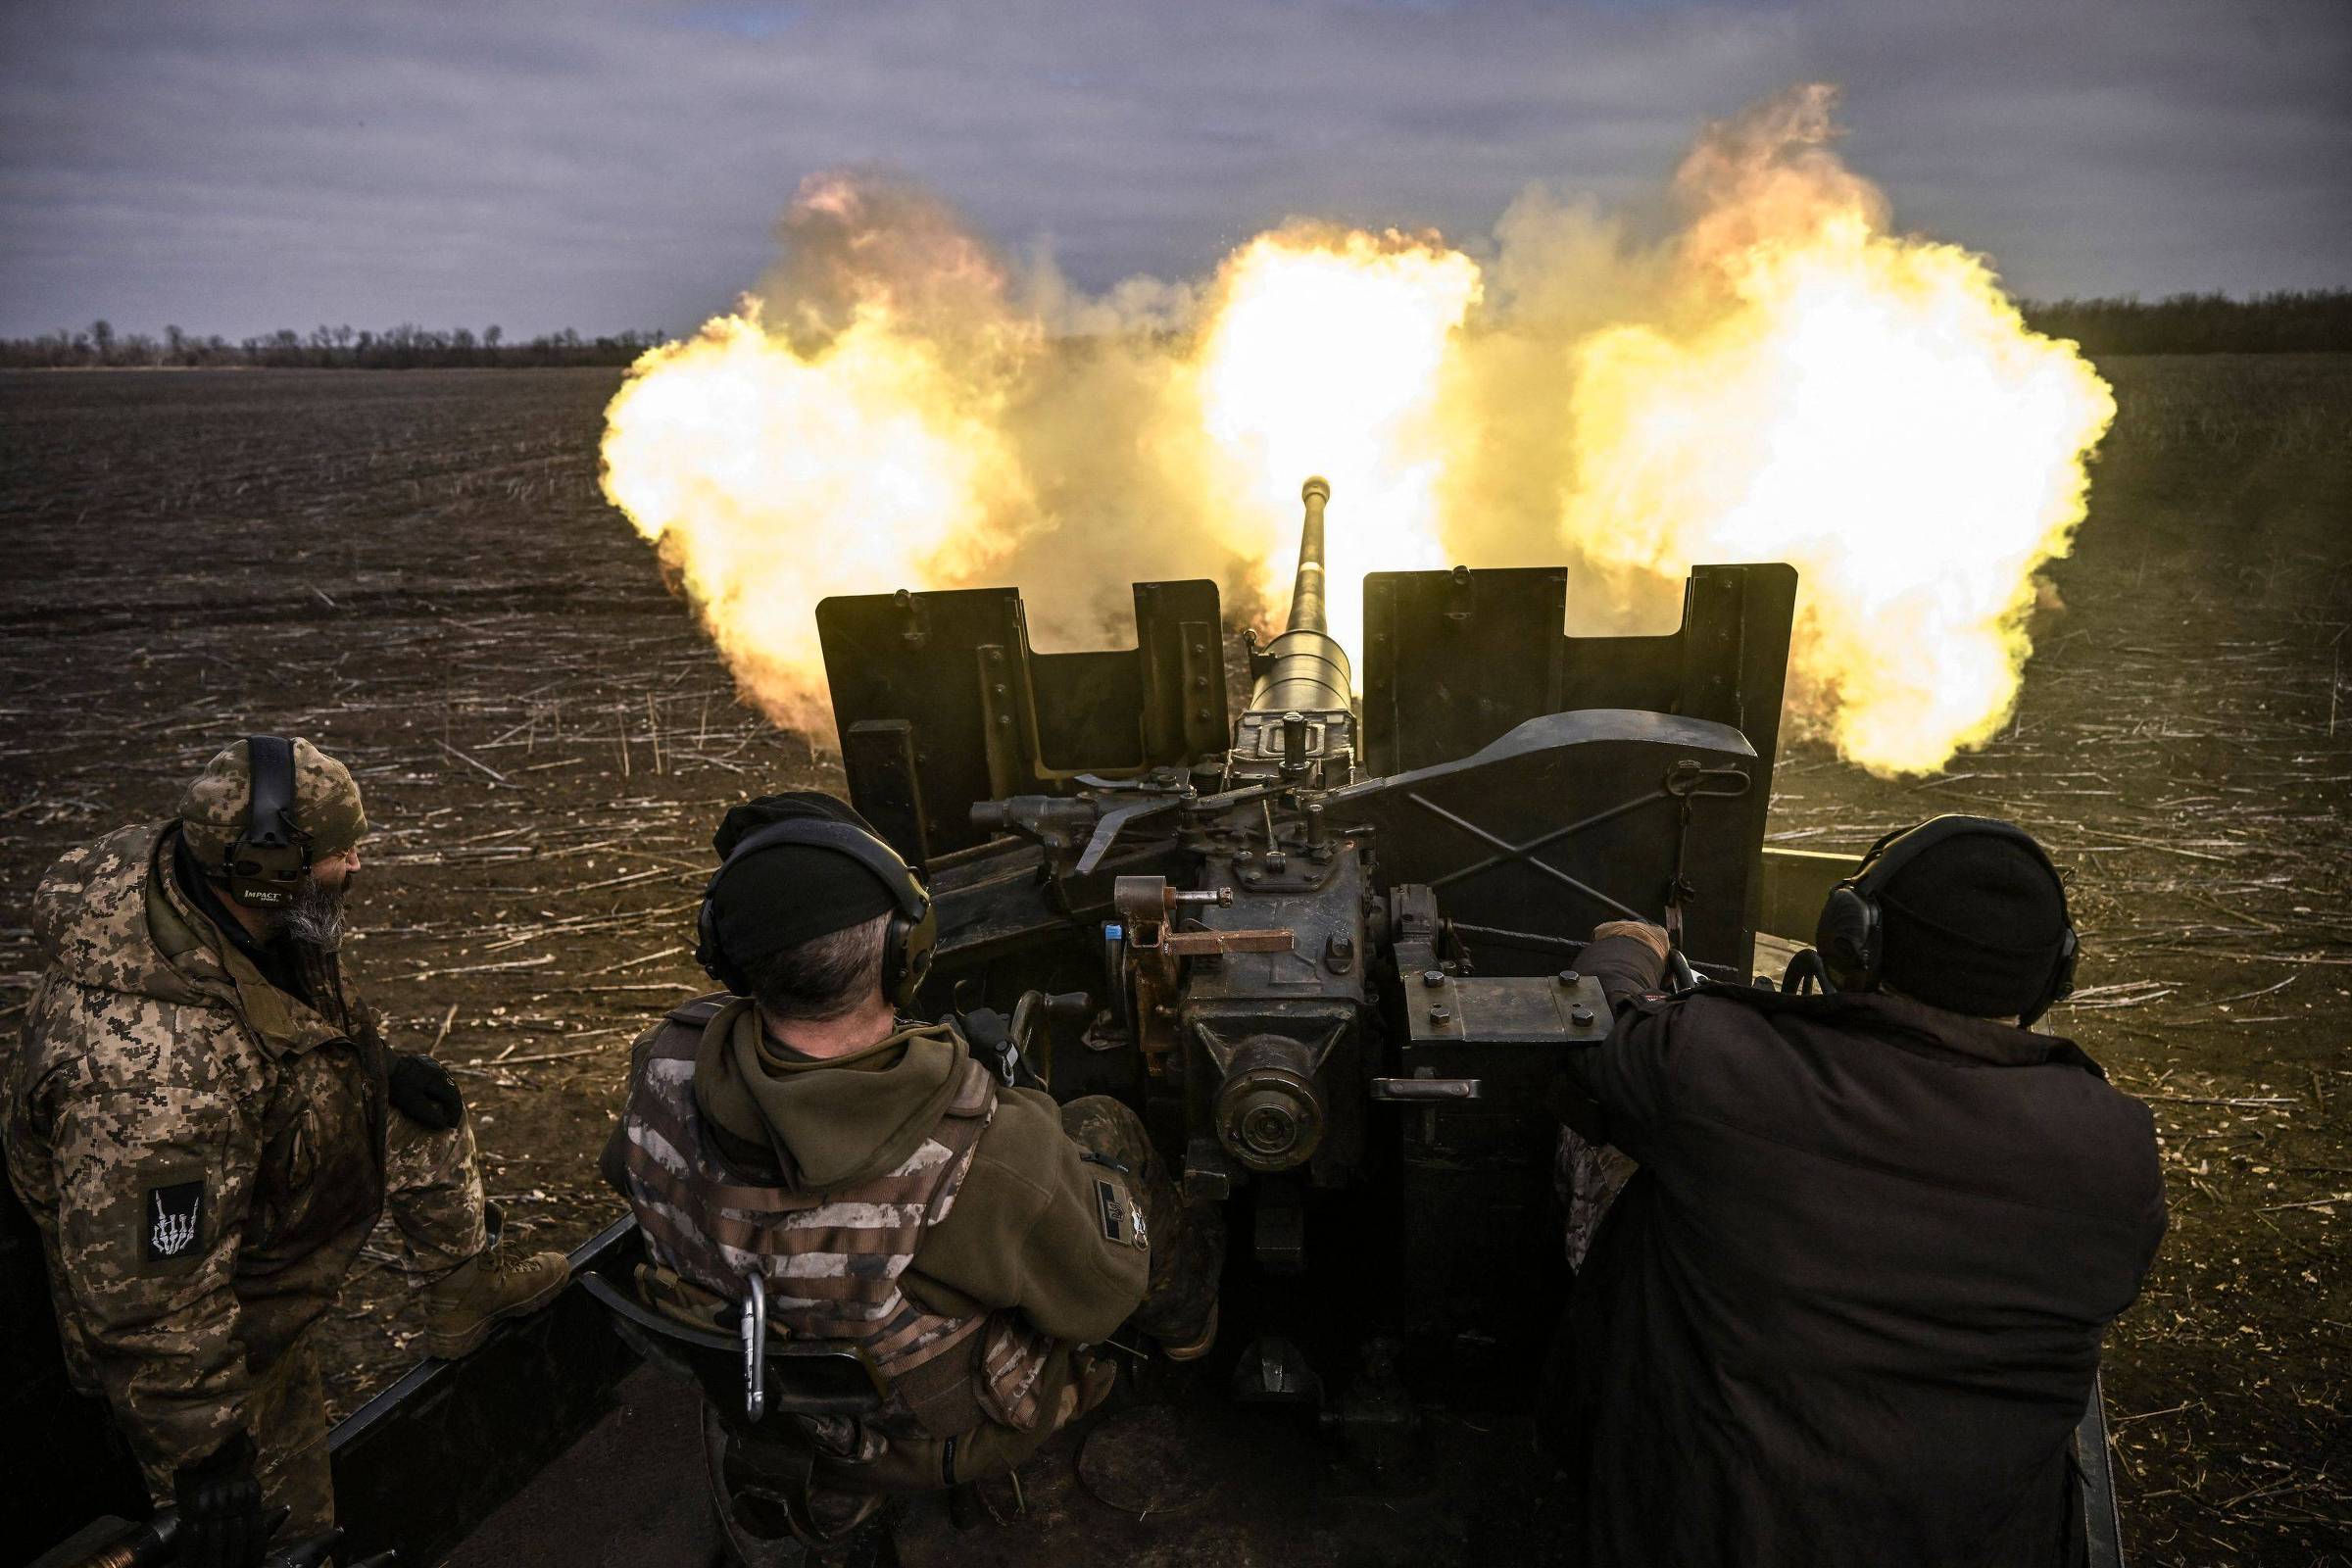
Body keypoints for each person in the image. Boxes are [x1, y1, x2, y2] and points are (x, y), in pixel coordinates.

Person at [604, 791, 1223, 1554]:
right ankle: (1190, 1329)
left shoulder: (664, 1062)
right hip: (928, 1438)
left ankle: (836, 1499)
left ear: (729, 959)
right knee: (1105, 1127)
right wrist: (1019, 1108)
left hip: (768, 1403)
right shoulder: (984, 1150)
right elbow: (1098, 1299)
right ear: (909, 952)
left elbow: (626, 1175)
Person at [3, 736, 570, 1567]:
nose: (358, 867)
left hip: (241, 1182)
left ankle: (462, 1290)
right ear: (267, 868)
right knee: (286, 1534)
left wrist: (377, 1072)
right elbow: (149, 1294)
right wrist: (206, 1451)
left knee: (421, 1107)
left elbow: (281, 1031)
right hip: (197, 1309)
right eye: (342, 853)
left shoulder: (235, 902)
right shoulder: (156, 1079)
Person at [1545, 813, 2166, 1567]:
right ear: (2053, 975)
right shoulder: (2117, 1146)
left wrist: (1626, 949)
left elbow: (1593, 1038)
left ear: (1853, 938)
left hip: (1725, 1534)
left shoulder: (1726, 1071)